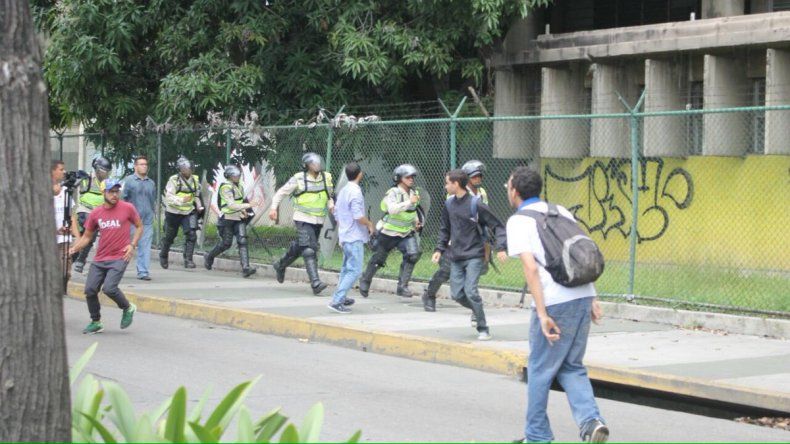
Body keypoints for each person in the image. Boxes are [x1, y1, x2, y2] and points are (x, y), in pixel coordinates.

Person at [505, 166, 608, 443]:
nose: (507, 189)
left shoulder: (518, 221)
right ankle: (591, 421)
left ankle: (537, 436)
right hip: (581, 294)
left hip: (555, 301)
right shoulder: (560, 210)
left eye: (508, 185)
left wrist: (542, 314)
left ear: (514, 190)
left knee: (540, 369)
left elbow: (530, 269)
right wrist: (592, 296)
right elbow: (581, 253)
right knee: (572, 365)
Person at [432, 169, 507, 341]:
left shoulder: (476, 204)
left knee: (471, 291)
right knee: (457, 294)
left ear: (456, 184)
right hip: (456, 256)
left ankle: (483, 327)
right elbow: (445, 229)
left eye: (447, 183)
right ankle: (476, 309)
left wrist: (501, 247)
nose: (445, 186)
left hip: (475, 255)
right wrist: (439, 249)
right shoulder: (449, 204)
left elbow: (497, 225)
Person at [69, 179, 142, 334]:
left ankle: (127, 308)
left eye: (117, 191)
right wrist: (74, 249)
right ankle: (96, 322)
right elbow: (87, 237)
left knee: (109, 288)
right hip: (100, 258)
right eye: (111, 191)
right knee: (89, 290)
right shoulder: (96, 213)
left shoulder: (127, 208)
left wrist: (132, 245)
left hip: (120, 256)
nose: (115, 194)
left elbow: (139, 226)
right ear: (104, 193)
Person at [422, 159, 490, 312]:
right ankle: (430, 294)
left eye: (479, 176)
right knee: (445, 271)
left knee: (473, 276)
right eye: (474, 176)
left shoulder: (482, 193)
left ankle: (475, 308)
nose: (478, 179)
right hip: (456, 241)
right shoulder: (453, 196)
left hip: (474, 241)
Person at [269, 152, 334, 295]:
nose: (316, 165)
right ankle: (315, 283)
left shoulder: (326, 177)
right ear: (307, 165)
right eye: (313, 163)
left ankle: (281, 265)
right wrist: (273, 208)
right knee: (310, 249)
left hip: (318, 219)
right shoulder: (298, 178)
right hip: (303, 218)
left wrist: (331, 205)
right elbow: (281, 192)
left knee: (301, 245)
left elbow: (329, 196)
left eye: (317, 162)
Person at [358, 164, 422, 298]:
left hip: (405, 233)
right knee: (378, 259)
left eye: (412, 177)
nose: (411, 179)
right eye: (408, 177)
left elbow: (412, 210)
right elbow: (392, 209)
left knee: (413, 254)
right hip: (389, 233)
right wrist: (409, 202)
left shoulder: (413, 193)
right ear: (399, 178)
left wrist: (416, 221)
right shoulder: (392, 193)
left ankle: (402, 286)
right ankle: (365, 280)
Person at [328, 162, 375, 313]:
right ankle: (337, 300)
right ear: (360, 174)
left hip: (345, 235)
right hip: (354, 236)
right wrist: (369, 224)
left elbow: (336, 213)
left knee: (346, 269)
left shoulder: (343, 191)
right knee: (354, 270)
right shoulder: (355, 192)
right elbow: (358, 216)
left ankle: (341, 297)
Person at [204, 165, 257, 277]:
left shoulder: (240, 186)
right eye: (234, 175)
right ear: (229, 176)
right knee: (226, 243)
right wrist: (249, 205)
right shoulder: (225, 187)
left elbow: (240, 201)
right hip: (227, 218)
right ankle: (209, 256)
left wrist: (245, 211)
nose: (237, 176)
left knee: (242, 240)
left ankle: (246, 268)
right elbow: (232, 205)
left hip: (239, 218)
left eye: (238, 174)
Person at [159, 157, 204, 269]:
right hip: (173, 212)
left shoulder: (195, 180)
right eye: (186, 167)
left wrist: (199, 205)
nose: (188, 169)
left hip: (188, 212)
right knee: (170, 236)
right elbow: (169, 197)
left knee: (191, 235)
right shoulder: (174, 180)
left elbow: (196, 195)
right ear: (181, 169)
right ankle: (163, 255)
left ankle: (188, 259)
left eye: (189, 167)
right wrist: (182, 200)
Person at [73, 156, 111, 273]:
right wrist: (77, 177)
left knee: (87, 236)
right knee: (90, 230)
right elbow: (74, 184)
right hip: (85, 209)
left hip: (100, 211)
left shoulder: (107, 182)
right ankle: (79, 258)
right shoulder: (87, 177)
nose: (105, 174)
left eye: (107, 172)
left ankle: (78, 256)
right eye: (103, 171)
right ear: (97, 169)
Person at [122, 155, 156, 280]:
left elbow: (153, 200)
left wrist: (152, 213)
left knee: (145, 246)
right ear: (135, 166)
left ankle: (143, 272)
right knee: (125, 245)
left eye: (146, 164)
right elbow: (123, 198)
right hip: (131, 220)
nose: (144, 166)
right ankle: (116, 268)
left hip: (146, 220)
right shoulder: (129, 181)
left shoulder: (151, 183)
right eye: (141, 164)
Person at [52, 160, 80, 293]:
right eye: (61, 169)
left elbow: (72, 216)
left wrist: (78, 237)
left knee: (65, 273)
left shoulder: (65, 191)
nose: (64, 172)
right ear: (52, 171)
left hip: (64, 240)